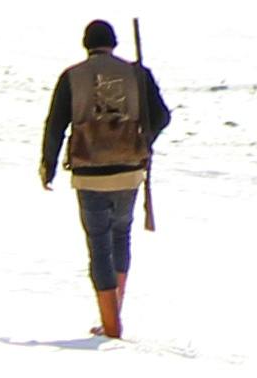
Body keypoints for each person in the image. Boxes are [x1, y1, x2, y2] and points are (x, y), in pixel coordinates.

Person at [38, 18, 174, 339]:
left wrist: (48, 166)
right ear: (114, 44)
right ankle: (113, 318)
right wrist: (144, 140)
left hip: (89, 176)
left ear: (86, 46)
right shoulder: (137, 74)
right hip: (129, 172)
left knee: (98, 246)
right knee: (121, 236)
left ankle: (111, 326)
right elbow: (163, 115)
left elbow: (55, 125)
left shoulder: (72, 77)